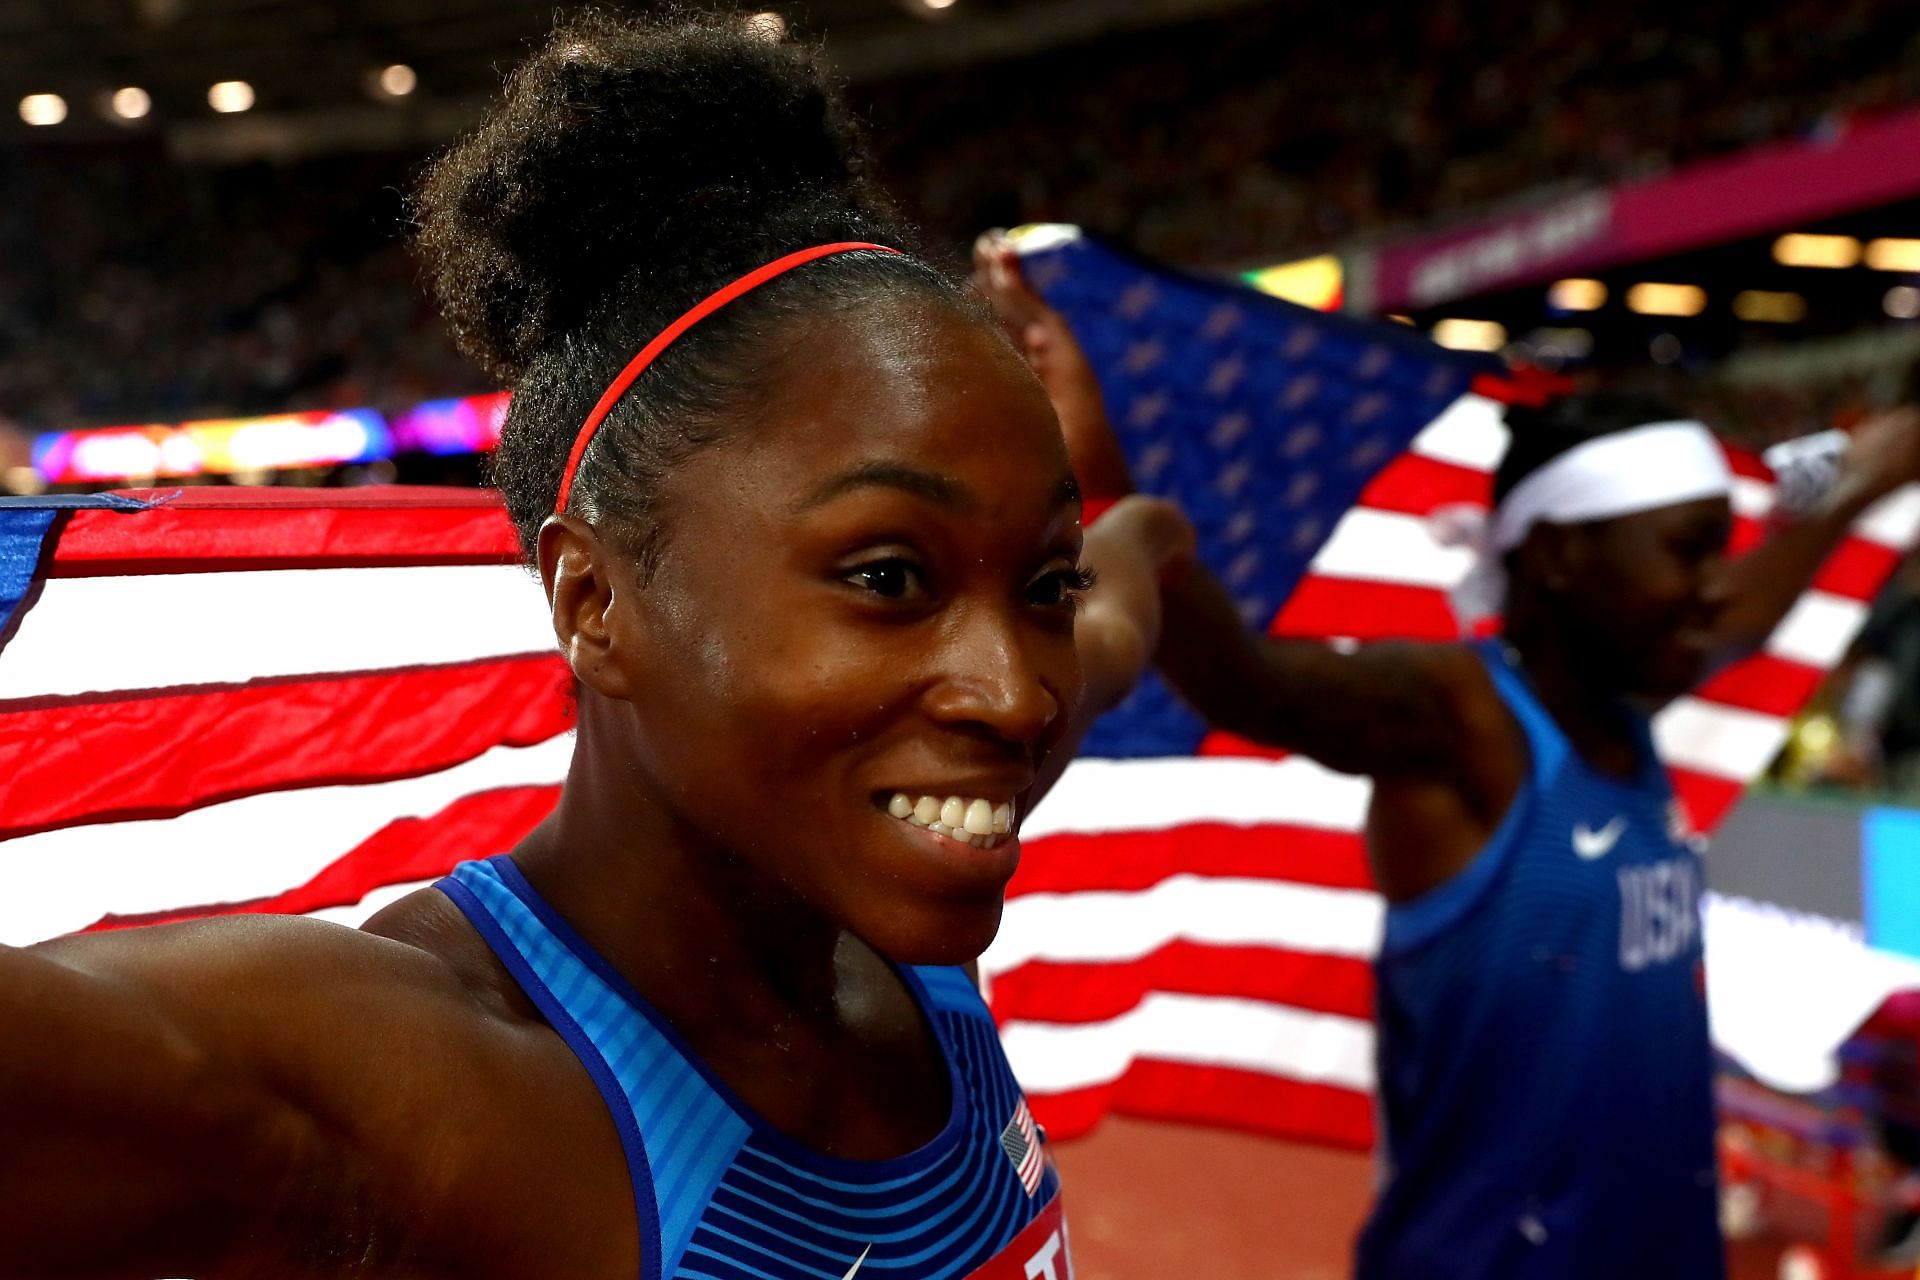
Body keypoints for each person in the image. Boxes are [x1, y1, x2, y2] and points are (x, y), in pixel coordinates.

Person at [0, 18, 1191, 1279]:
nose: (1016, 697)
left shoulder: (878, 850)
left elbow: (1121, 600)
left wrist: (1137, 533)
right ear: (594, 599)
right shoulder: (424, 1084)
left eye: (1039, 582)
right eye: (889, 576)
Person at [972, 235, 1920, 1279]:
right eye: (1689, 550)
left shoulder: (1628, 688)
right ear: (1560, 556)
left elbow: (1765, 583)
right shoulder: (1462, 717)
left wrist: (1880, 459)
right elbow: (1250, 681)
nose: (1714, 587)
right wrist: (1108, 490)